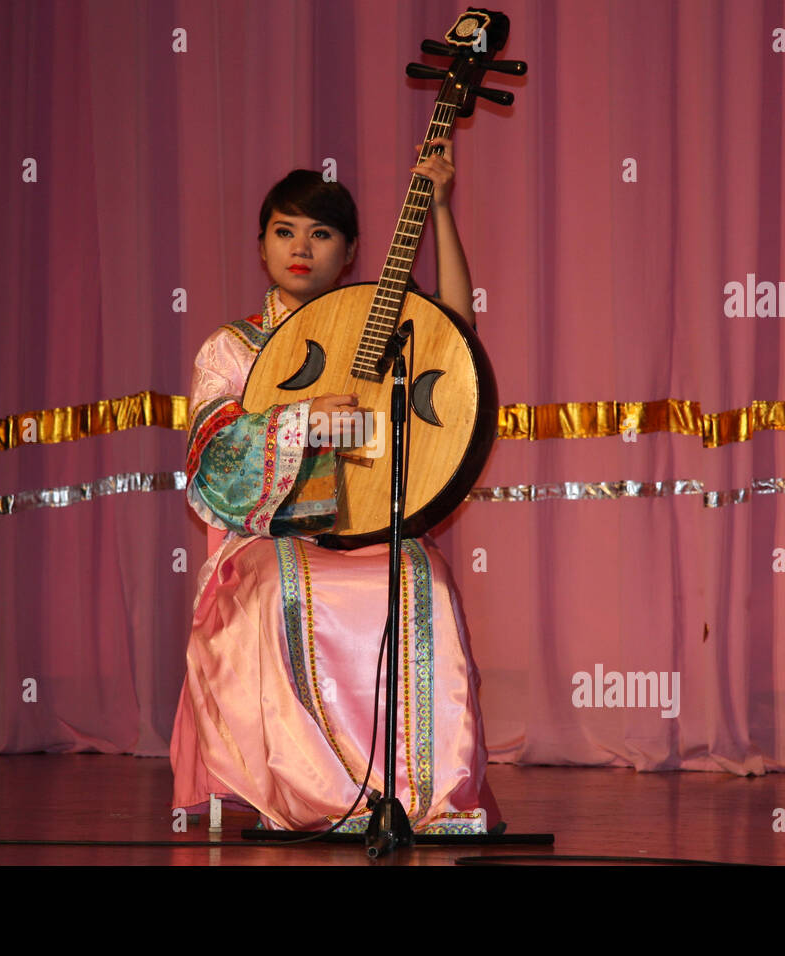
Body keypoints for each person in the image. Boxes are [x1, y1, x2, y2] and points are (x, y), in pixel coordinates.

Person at [170, 139, 501, 833]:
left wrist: (440, 208)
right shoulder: (229, 349)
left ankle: (424, 797)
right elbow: (216, 462)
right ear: (260, 246)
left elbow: (457, 338)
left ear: (349, 252)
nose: (301, 247)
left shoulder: (371, 330)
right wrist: (300, 419)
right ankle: (315, 794)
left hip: (373, 530)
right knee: (283, 590)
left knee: (424, 582)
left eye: (321, 234)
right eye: (284, 231)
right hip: (267, 539)